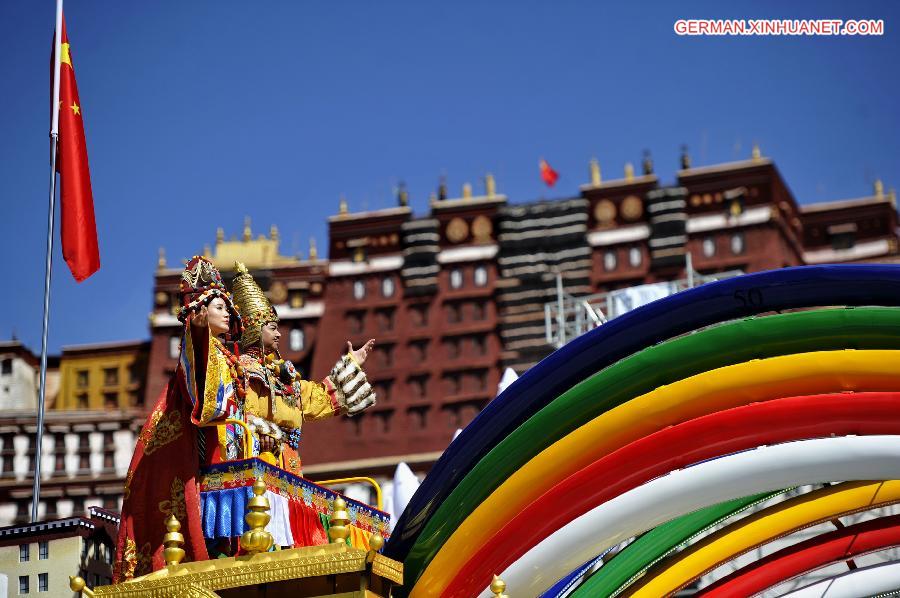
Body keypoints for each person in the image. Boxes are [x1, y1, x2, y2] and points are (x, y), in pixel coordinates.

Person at [114, 256, 245, 581]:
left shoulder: (231, 359)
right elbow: (199, 387)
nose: (227, 312)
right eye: (219, 306)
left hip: (235, 459)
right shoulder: (200, 352)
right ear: (200, 312)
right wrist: (198, 334)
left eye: (227, 307)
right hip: (208, 464)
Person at [231, 262, 376, 476]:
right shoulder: (241, 371)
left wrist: (351, 363)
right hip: (257, 462)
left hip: (289, 464)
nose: (279, 334)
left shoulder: (283, 376)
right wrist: (262, 429)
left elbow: (318, 397)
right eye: (272, 328)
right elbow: (238, 412)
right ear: (254, 330)